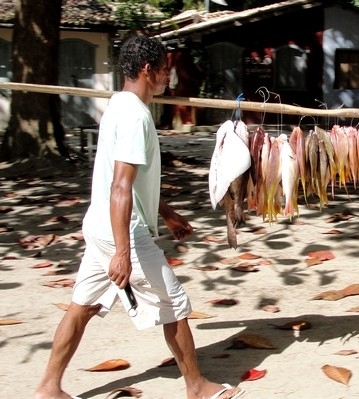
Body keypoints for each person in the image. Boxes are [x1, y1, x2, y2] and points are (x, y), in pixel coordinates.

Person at [34, 35, 244, 399]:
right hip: (121, 230)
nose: (169, 78)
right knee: (174, 304)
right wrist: (122, 251)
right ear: (148, 70)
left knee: (81, 307)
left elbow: (132, 185)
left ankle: (48, 388)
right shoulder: (135, 116)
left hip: (100, 223)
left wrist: (167, 213)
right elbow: (120, 186)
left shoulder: (119, 105)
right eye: (165, 70)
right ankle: (198, 388)